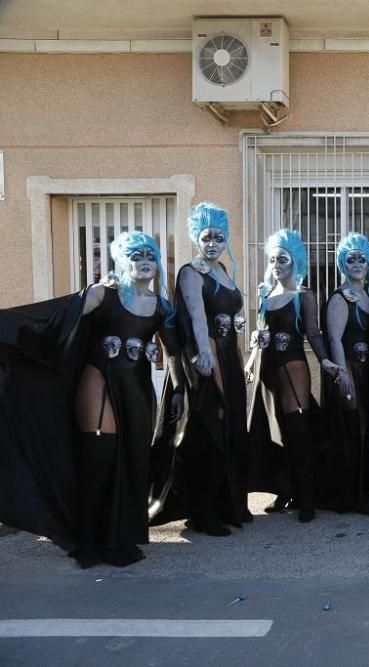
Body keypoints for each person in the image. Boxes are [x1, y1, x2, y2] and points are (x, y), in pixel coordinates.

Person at [0, 231, 183, 568]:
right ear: (124, 261)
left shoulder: (161, 306)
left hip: (137, 391)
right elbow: (58, 319)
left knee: (130, 463)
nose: (144, 262)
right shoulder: (104, 295)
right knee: (98, 460)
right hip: (98, 379)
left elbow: (173, 352)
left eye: (150, 256)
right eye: (136, 256)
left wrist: (182, 389)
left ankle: (117, 539)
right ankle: (87, 542)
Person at [149, 202, 248, 537]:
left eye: (219, 237)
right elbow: (195, 315)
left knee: (230, 428)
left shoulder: (221, 270)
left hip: (229, 357)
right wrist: (205, 355)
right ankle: (203, 511)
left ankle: (227, 504)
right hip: (207, 357)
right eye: (206, 236)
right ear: (196, 237)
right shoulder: (192, 272)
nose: (213, 243)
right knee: (211, 431)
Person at [246, 229, 339, 523]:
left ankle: (308, 499)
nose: (277, 264)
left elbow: (313, 332)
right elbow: (261, 332)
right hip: (267, 370)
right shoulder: (265, 293)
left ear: (294, 261)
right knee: (279, 434)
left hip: (293, 368)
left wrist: (325, 360)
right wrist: (249, 360)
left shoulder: (303, 295)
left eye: (282, 259)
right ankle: (287, 491)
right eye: (272, 259)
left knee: (299, 430)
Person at [321, 233, 369, 513]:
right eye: (350, 258)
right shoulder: (340, 297)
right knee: (354, 431)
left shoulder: (368, 295)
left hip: (367, 371)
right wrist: (343, 377)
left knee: (365, 433)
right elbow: (334, 340)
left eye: (361, 258)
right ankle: (351, 497)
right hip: (350, 371)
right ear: (342, 263)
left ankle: (362, 492)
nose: (356, 263)